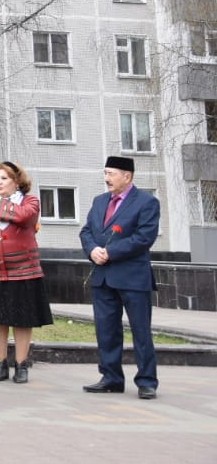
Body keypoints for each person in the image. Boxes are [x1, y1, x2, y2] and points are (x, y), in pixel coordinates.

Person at [79, 156, 160, 399]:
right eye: (105, 173)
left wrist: (110, 252)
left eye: (111, 173)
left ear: (127, 176)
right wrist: (92, 250)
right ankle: (111, 377)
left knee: (141, 331)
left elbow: (145, 237)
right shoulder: (99, 201)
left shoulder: (147, 202)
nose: (106, 178)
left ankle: (147, 381)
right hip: (103, 277)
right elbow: (86, 231)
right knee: (106, 330)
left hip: (133, 277)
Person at [0, 161, 52, 384]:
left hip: (23, 271)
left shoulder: (29, 200)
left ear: (17, 181)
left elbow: (25, 218)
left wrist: (1, 203)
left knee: (23, 319)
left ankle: (21, 364)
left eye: (4, 178)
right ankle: (1, 364)